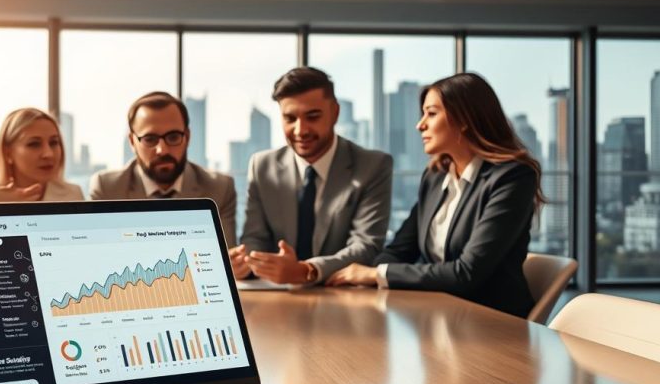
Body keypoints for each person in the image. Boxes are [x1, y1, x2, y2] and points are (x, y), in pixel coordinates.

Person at [326, 72, 544, 319]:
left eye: (431, 113)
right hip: (438, 315)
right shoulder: (435, 177)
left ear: (463, 119)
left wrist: (375, 274)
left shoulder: (511, 178)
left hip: (491, 323)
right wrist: (368, 272)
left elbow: (466, 273)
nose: (420, 125)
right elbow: (400, 249)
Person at [230, 67, 393, 285]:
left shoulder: (372, 166)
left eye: (312, 117)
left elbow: (366, 246)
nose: (300, 130)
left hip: (343, 297)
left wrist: (307, 270)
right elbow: (255, 237)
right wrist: (247, 263)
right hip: (277, 297)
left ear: (335, 112)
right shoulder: (262, 166)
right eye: (290, 118)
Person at [90, 91, 238, 245]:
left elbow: (228, 259)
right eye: (150, 139)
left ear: (187, 137)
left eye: (173, 137)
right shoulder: (107, 189)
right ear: (132, 142)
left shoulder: (220, 188)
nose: (162, 150)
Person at [0, 108, 83, 203]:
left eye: (54, 142)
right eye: (34, 144)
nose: (48, 154)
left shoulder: (73, 194)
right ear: (8, 152)